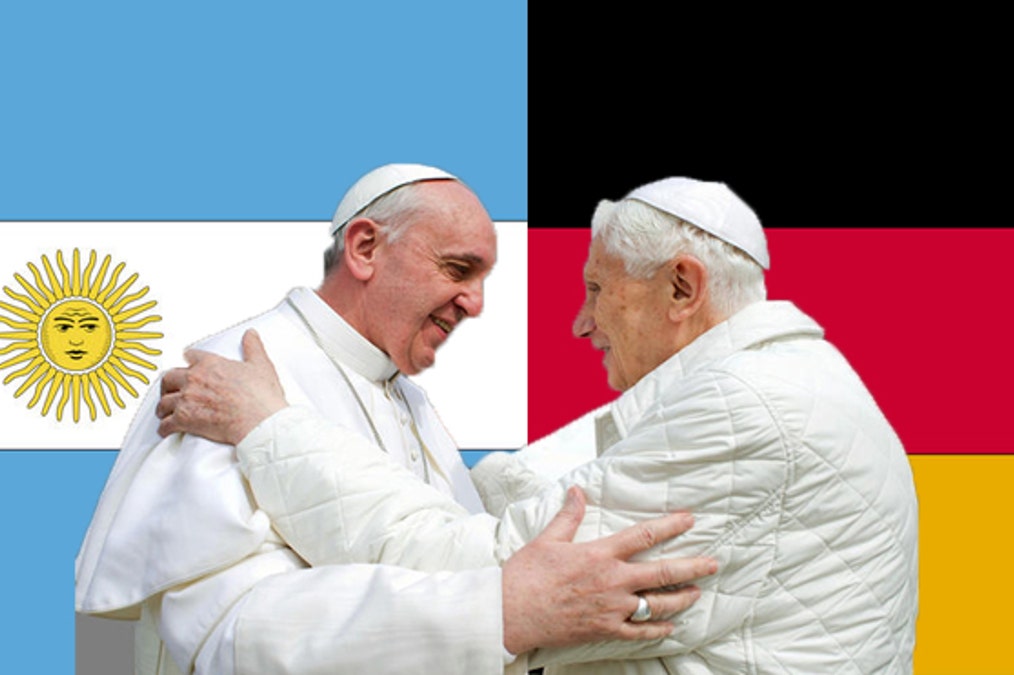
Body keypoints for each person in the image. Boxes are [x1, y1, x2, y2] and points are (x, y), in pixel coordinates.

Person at [158, 177, 921, 673]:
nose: (583, 321)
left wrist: (269, 428)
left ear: (681, 287)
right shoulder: (782, 383)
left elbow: (485, 571)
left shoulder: (753, 408)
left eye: (598, 288)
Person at [74, 164, 719, 675]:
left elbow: (439, 545)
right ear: (364, 247)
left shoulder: (405, 395)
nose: (475, 302)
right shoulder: (229, 377)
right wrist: (499, 614)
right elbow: (229, 642)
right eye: (458, 269)